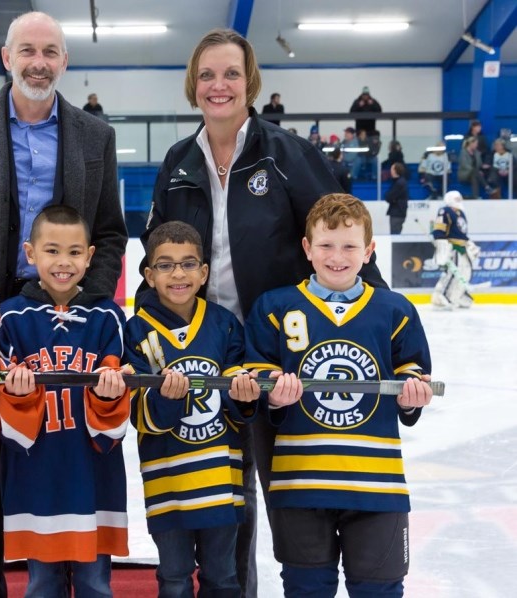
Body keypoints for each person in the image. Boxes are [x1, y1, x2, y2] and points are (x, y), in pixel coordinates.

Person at [140, 28, 387, 598]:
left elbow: (338, 234)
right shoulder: (179, 161)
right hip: (205, 357)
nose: (218, 86)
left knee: (289, 495)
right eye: (206, 75)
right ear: (192, 85)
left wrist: (381, 325)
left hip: (281, 358)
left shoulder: (286, 153)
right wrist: (149, 332)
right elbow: (157, 256)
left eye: (230, 74)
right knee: (226, 505)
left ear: (249, 82)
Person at [0, 12, 127, 596]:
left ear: (64, 60)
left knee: (63, 448)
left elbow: (111, 232)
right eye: (27, 50)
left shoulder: (96, 136)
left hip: (66, 311)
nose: (38, 62)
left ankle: (78, 570)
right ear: (7, 57)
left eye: (50, 51)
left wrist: (85, 302)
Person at [244, 193, 434, 598]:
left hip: (377, 488)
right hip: (300, 485)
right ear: (307, 248)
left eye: (349, 246)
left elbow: (412, 373)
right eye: (326, 245)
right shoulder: (275, 308)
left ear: (368, 251)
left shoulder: (395, 311)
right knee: (305, 589)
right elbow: (258, 378)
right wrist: (274, 396)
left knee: (379, 591)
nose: (337, 256)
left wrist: (410, 396)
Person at [0, 205, 129, 597]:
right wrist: (17, 396)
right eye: (52, 250)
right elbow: (4, 417)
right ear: (30, 253)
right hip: (37, 478)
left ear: (90, 256)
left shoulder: (108, 318)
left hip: (92, 477)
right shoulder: (11, 317)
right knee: (41, 584)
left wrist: (110, 397)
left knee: (94, 584)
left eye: (74, 252)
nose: (63, 262)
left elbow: (116, 415)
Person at [126, 221, 260, 597]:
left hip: (220, 481)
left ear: (204, 272)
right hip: (168, 480)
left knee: (223, 576)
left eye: (188, 264)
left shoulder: (223, 324)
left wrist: (245, 396)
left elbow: (236, 404)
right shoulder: (138, 331)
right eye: (166, 265)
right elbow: (140, 416)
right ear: (149, 275)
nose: (178, 274)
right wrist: (166, 400)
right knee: (174, 577)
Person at [431, 190, 479, 310]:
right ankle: (442, 296)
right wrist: (441, 243)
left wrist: (469, 243)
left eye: (459, 198)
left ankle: (458, 295)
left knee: (465, 272)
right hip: (452, 246)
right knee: (452, 272)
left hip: (462, 247)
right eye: (456, 199)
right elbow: (439, 230)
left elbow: (461, 232)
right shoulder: (444, 211)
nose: (458, 201)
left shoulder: (461, 212)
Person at [385, 162, 409, 234]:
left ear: (396, 170)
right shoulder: (398, 182)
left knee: (395, 234)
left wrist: (392, 199)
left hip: (397, 212)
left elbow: (389, 197)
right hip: (398, 212)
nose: (390, 171)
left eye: (392, 169)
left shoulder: (399, 183)